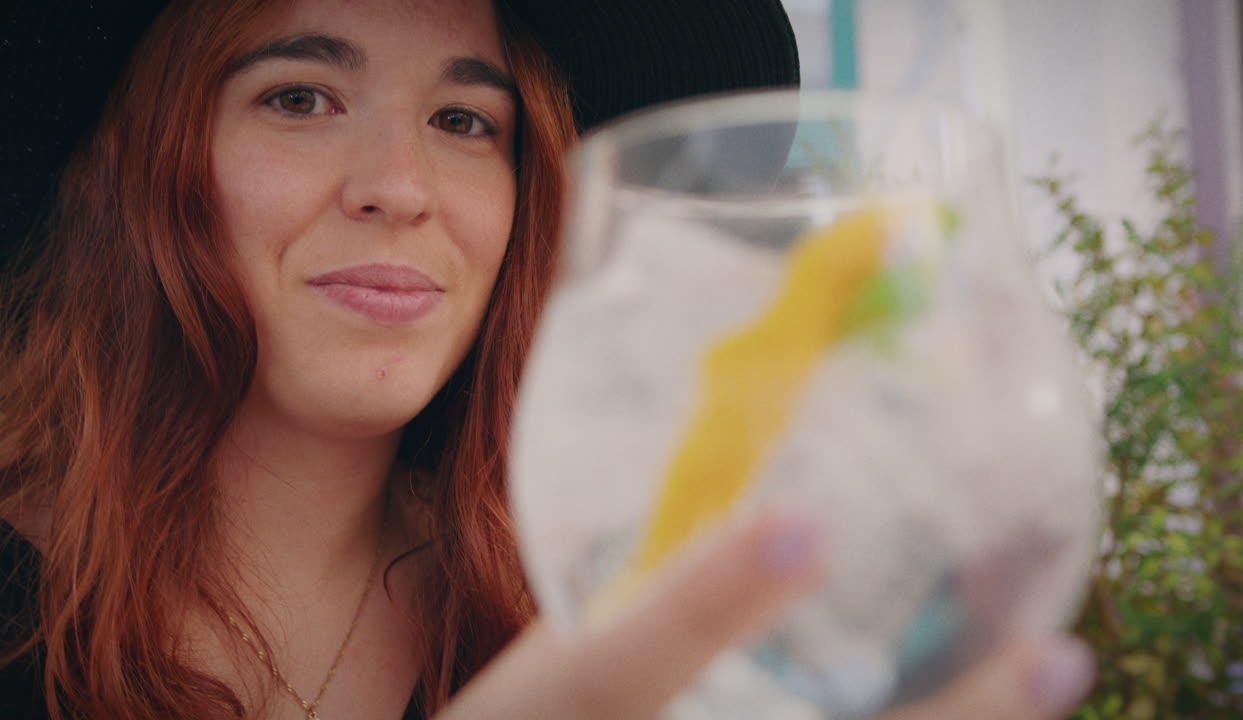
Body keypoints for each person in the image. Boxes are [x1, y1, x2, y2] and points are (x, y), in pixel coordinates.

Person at [0, 1, 1095, 718]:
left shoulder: (591, 598)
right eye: (299, 99)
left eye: (465, 120)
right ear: (123, 164)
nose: (401, 186)